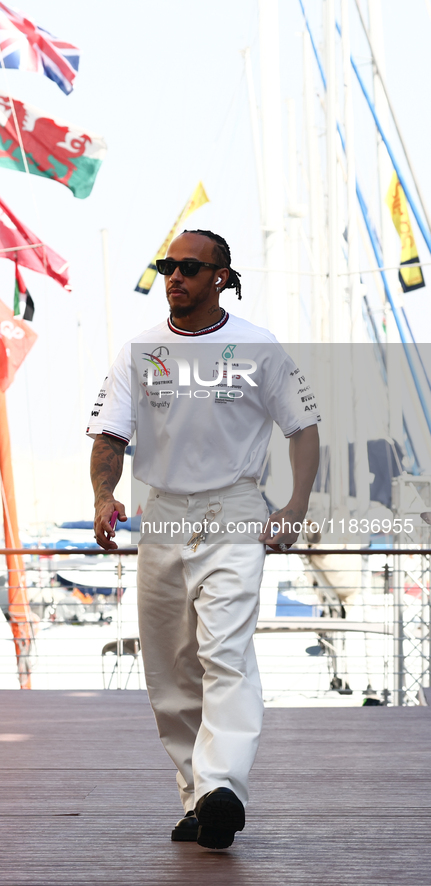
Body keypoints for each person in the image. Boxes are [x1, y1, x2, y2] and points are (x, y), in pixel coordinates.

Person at [87, 230, 320, 849]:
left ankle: (223, 787)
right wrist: (104, 497)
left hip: (235, 509)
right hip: (160, 515)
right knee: (169, 669)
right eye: (167, 265)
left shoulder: (259, 347)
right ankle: (197, 796)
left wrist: (295, 505)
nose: (174, 275)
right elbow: (109, 436)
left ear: (221, 276)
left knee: (225, 652)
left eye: (189, 266)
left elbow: (302, 426)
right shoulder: (139, 350)